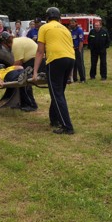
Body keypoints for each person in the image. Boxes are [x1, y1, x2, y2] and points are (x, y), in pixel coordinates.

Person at [32, 7, 76, 135]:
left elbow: (40, 51)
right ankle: (54, 119)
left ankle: (67, 126)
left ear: (47, 18)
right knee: (59, 92)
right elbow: (71, 48)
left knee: (56, 94)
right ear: (59, 18)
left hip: (55, 60)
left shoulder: (44, 28)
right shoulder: (65, 29)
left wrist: (35, 72)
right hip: (70, 59)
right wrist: (71, 74)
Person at [68, 18, 86, 83]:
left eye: (73, 23)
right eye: (71, 23)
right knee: (73, 64)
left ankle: (82, 78)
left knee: (80, 64)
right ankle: (74, 78)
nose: (71, 24)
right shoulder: (70, 30)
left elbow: (81, 41)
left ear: (76, 23)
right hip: (72, 49)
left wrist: (79, 50)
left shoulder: (79, 30)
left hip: (78, 49)